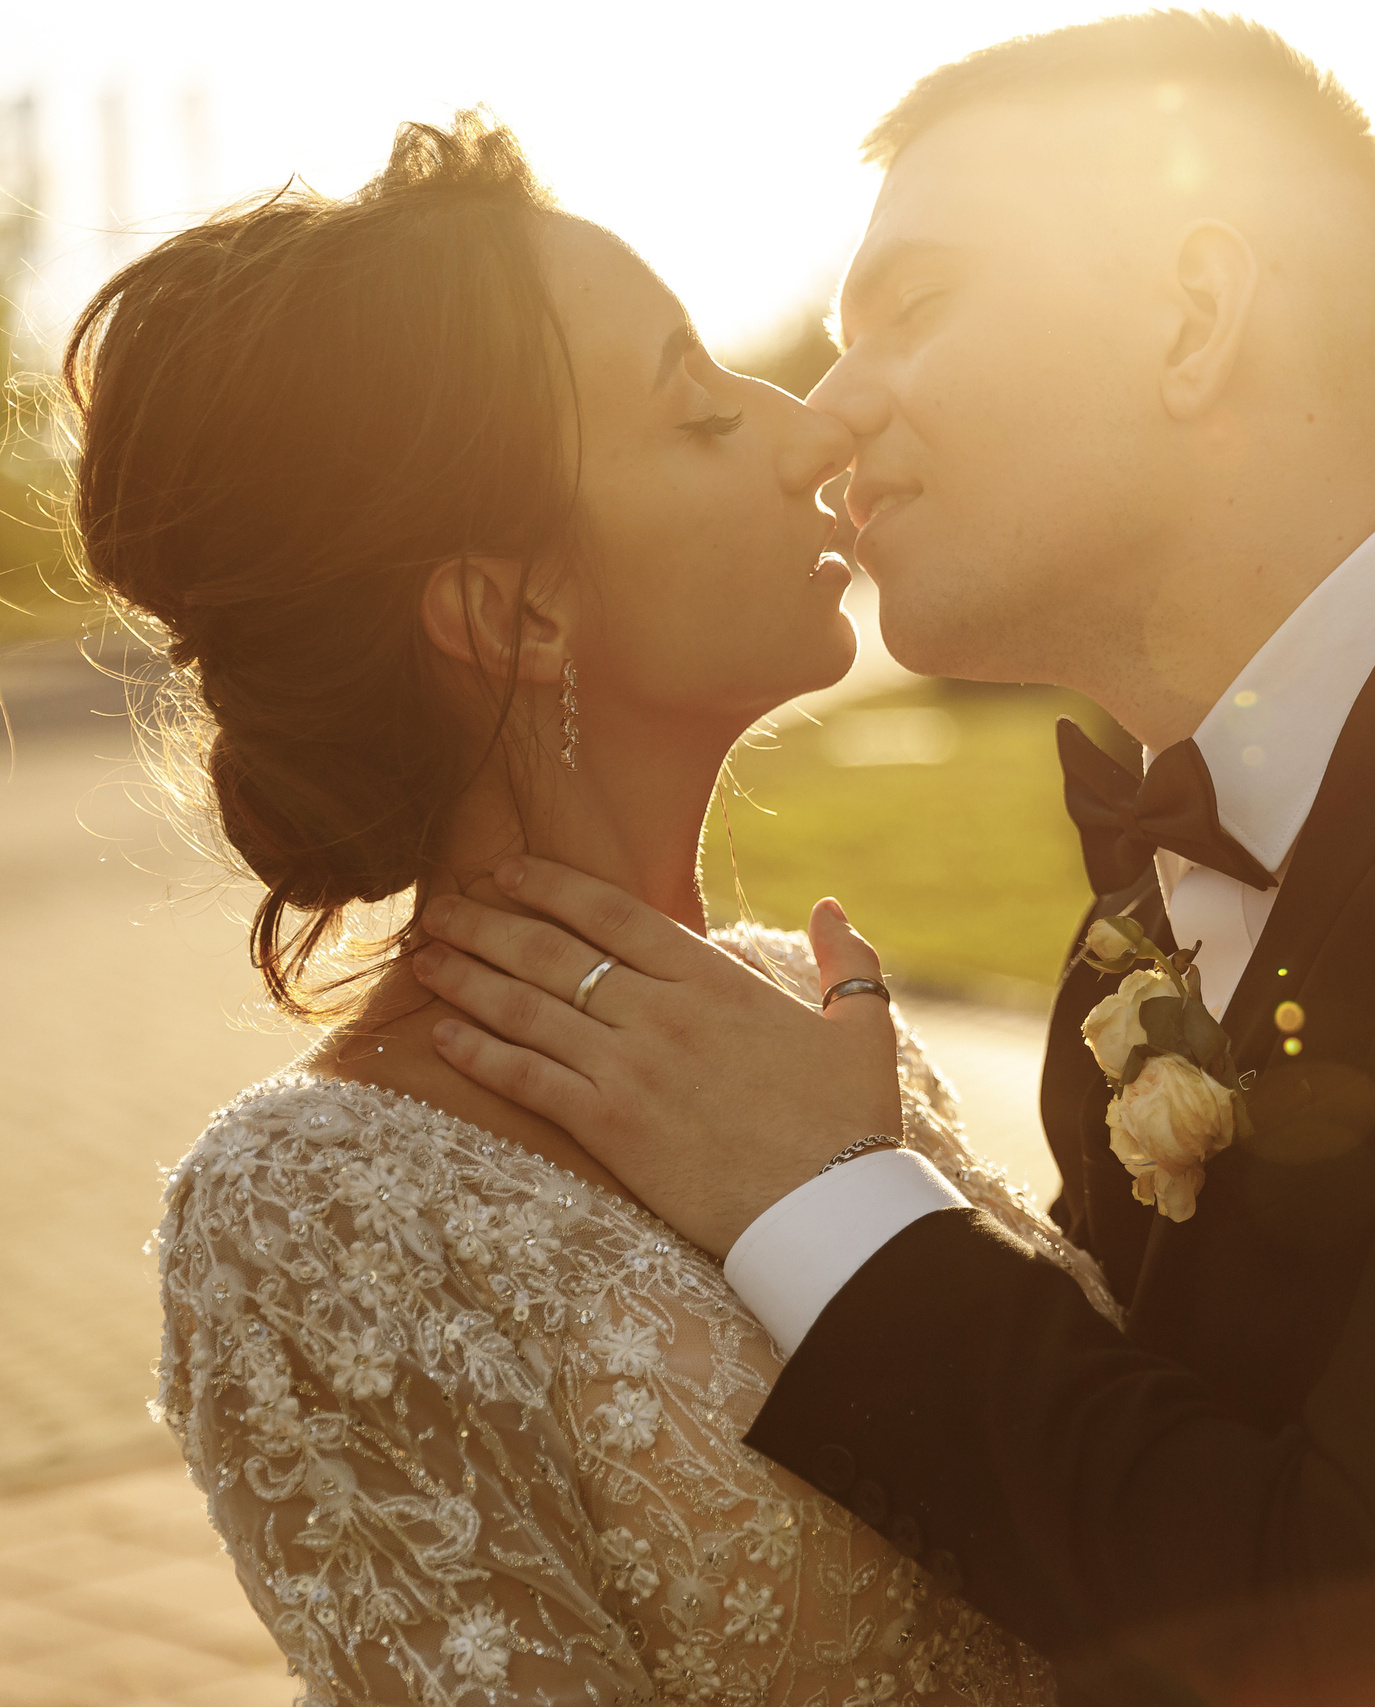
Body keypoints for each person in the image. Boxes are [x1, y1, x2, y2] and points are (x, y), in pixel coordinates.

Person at [414, 14, 1375, 1705]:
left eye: (914, 312)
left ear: (1192, 318)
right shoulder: (1148, 902)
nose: (831, 409)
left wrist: (825, 1206)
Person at [89, 114, 1099, 1703]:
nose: (809, 436)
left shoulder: (805, 1024)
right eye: (698, 415)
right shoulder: (311, 1214)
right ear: (514, 612)